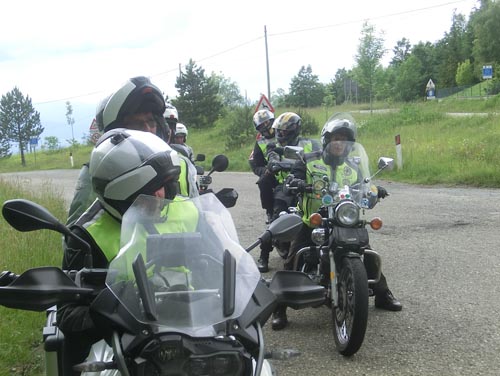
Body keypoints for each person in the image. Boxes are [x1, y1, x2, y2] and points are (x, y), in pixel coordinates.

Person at [58, 129, 184, 374]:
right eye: (151, 188)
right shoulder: (86, 235)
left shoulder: (185, 210)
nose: (162, 195)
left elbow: (225, 267)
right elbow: (68, 313)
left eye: (166, 184)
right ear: (120, 193)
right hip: (123, 346)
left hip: (192, 330)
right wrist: (116, 309)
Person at [271, 114, 402, 331]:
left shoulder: (352, 165)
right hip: (313, 220)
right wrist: (295, 182)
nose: (340, 143)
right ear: (327, 140)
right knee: (293, 257)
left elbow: (363, 185)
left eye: (345, 139)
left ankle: (382, 293)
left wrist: (375, 190)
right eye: (336, 138)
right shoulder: (309, 159)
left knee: (366, 253)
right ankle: (279, 307)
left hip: (343, 218)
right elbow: (292, 179)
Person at [66, 77, 198, 226]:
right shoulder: (100, 171)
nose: (148, 130)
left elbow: (198, 216)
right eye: (136, 123)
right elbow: (75, 237)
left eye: (151, 122)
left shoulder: (182, 163)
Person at [255, 112, 321, 273]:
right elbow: (271, 158)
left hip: (308, 185)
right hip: (285, 187)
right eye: (278, 130)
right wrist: (273, 165)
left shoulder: (310, 144)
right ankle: (264, 256)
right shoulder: (273, 146)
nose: (279, 134)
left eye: (283, 131)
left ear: (293, 130)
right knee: (277, 217)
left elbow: (322, 156)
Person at [248, 109, 279, 272]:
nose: (266, 127)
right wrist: (265, 171)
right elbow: (254, 163)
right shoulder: (260, 143)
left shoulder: (286, 135)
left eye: (267, 123)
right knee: (275, 219)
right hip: (275, 179)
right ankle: (264, 256)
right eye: (262, 125)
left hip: (295, 177)